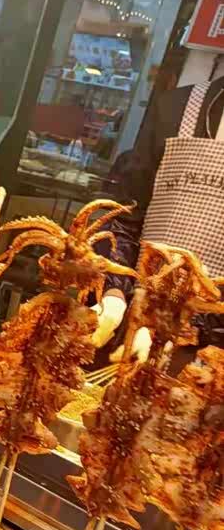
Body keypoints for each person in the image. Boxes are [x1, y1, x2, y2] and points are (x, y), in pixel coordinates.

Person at [92, 73, 224, 353]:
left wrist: (192, 327)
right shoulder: (175, 107)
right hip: (130, 321)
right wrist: (114, 293)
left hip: (210, 354)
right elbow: (124, 217)